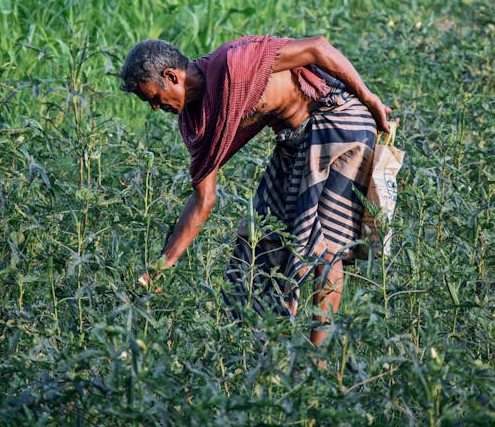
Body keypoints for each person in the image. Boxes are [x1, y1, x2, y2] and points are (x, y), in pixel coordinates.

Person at [119, 35, 391, 347]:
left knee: (323, 248)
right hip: (295, 140)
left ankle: (318, 362)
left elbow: (318, 47)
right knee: (258, 237)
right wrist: (162, 265)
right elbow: (203, 198)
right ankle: (270, 350)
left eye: (153, 98)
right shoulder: (195, 122)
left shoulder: (233, 63)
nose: (155, 108)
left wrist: (370, 100)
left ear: (171, 76)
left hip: (337, 120)